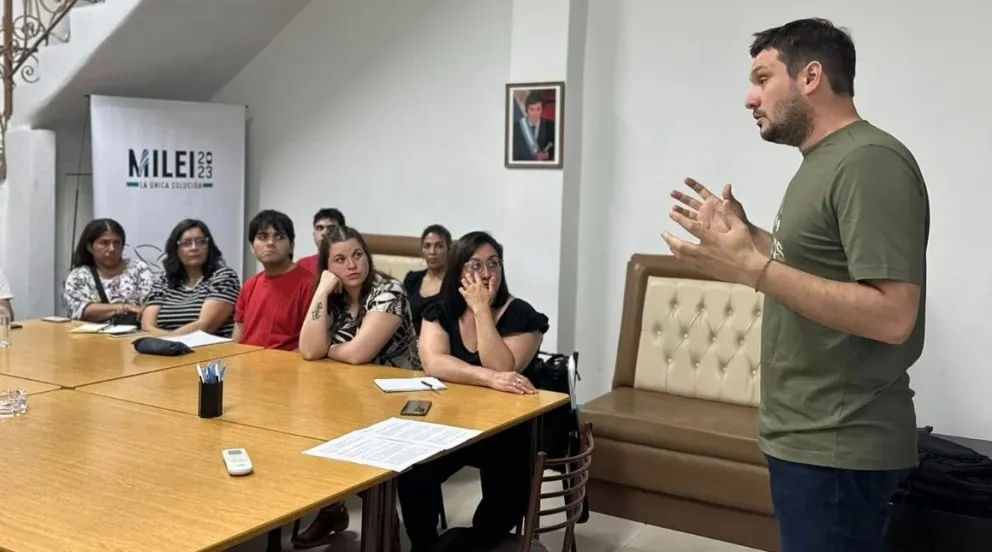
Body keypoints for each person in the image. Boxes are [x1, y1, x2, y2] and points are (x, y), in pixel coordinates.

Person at [663, 18, 928, 552]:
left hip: (838, 441)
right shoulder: (821, 163)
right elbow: (815, 264)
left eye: (762, 79)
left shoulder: (868, 161)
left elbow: (894, 315)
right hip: (805, 436)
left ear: (810, 77)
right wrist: (749, 236)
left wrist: (752, 271)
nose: (749, 97)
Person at [397, 231, 548, 550]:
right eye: (475, 265)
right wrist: (488, 379)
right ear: (458, 271)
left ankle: (478, 542)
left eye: (493, 263)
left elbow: (504, 367)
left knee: (496, 515)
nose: (486, 273)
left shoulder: (522, 315)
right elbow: (433, 362)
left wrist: (481, 311)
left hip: (509, 433)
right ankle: (424, 546)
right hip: (453, 424)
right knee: (412, 471)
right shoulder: (440, 310)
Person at [294, 225, 419, 548]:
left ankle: (381, 523)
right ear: (327, 267)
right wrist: (321, 292)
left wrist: (329, 350)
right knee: (307, 430)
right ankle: (332, 509)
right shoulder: (332, 299)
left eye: (357, 255)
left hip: (398, 401)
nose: (351, 265)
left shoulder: (389, 292)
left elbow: (358, 354)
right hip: (348, 397)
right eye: (339, 259)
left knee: (352, 441)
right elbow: (308, 350)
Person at [142, 219, 241, 337]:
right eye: (186, 243)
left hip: (211, 351)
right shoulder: (164, 281)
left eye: (201, 242)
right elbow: (147, 326)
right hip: (166, 352)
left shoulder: (224, 277)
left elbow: (205, 326)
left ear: (209, 246)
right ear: (175, 249)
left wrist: (166, 342)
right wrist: (167, 346)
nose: (194, 248)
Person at [232, 210, 314, 350]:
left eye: (279, 237)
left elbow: (312, 343)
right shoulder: (249, 286)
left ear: (291, 246)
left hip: (284, 367)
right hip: (246, 363)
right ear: (252, 247)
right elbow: (237, 336)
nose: (270, 243)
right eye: (262, 237)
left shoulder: (310, 284)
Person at [63, 218, 155, 323]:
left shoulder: (139, 269)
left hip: (136, 335)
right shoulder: (79, 275)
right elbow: (80, 310)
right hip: (93, 337)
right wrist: (125, 307)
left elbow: (152, 303)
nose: (112, 248)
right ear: (89, 246)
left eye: (117, 243)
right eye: (104, 243)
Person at [402, 224, 452, 334]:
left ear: (449, 249)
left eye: (439, 246)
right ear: (422, 251)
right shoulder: (412, 279)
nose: (432, 252)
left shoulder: (455, 283)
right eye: (427, 246)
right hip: (409, 343)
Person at [297, 207, 346, 274]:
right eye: (319, 228)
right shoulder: (302, 265)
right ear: (314, 234)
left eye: (331, 228)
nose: (324, 233)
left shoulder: (351, 263)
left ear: (342, 233)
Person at [512, 90, 556, 162]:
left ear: (542, 110)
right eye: (531, 109)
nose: (535, 113)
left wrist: (548, 154)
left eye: (538, 109)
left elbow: (557, 148)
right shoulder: (516, 127)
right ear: (526, 110)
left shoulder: (551, 126)